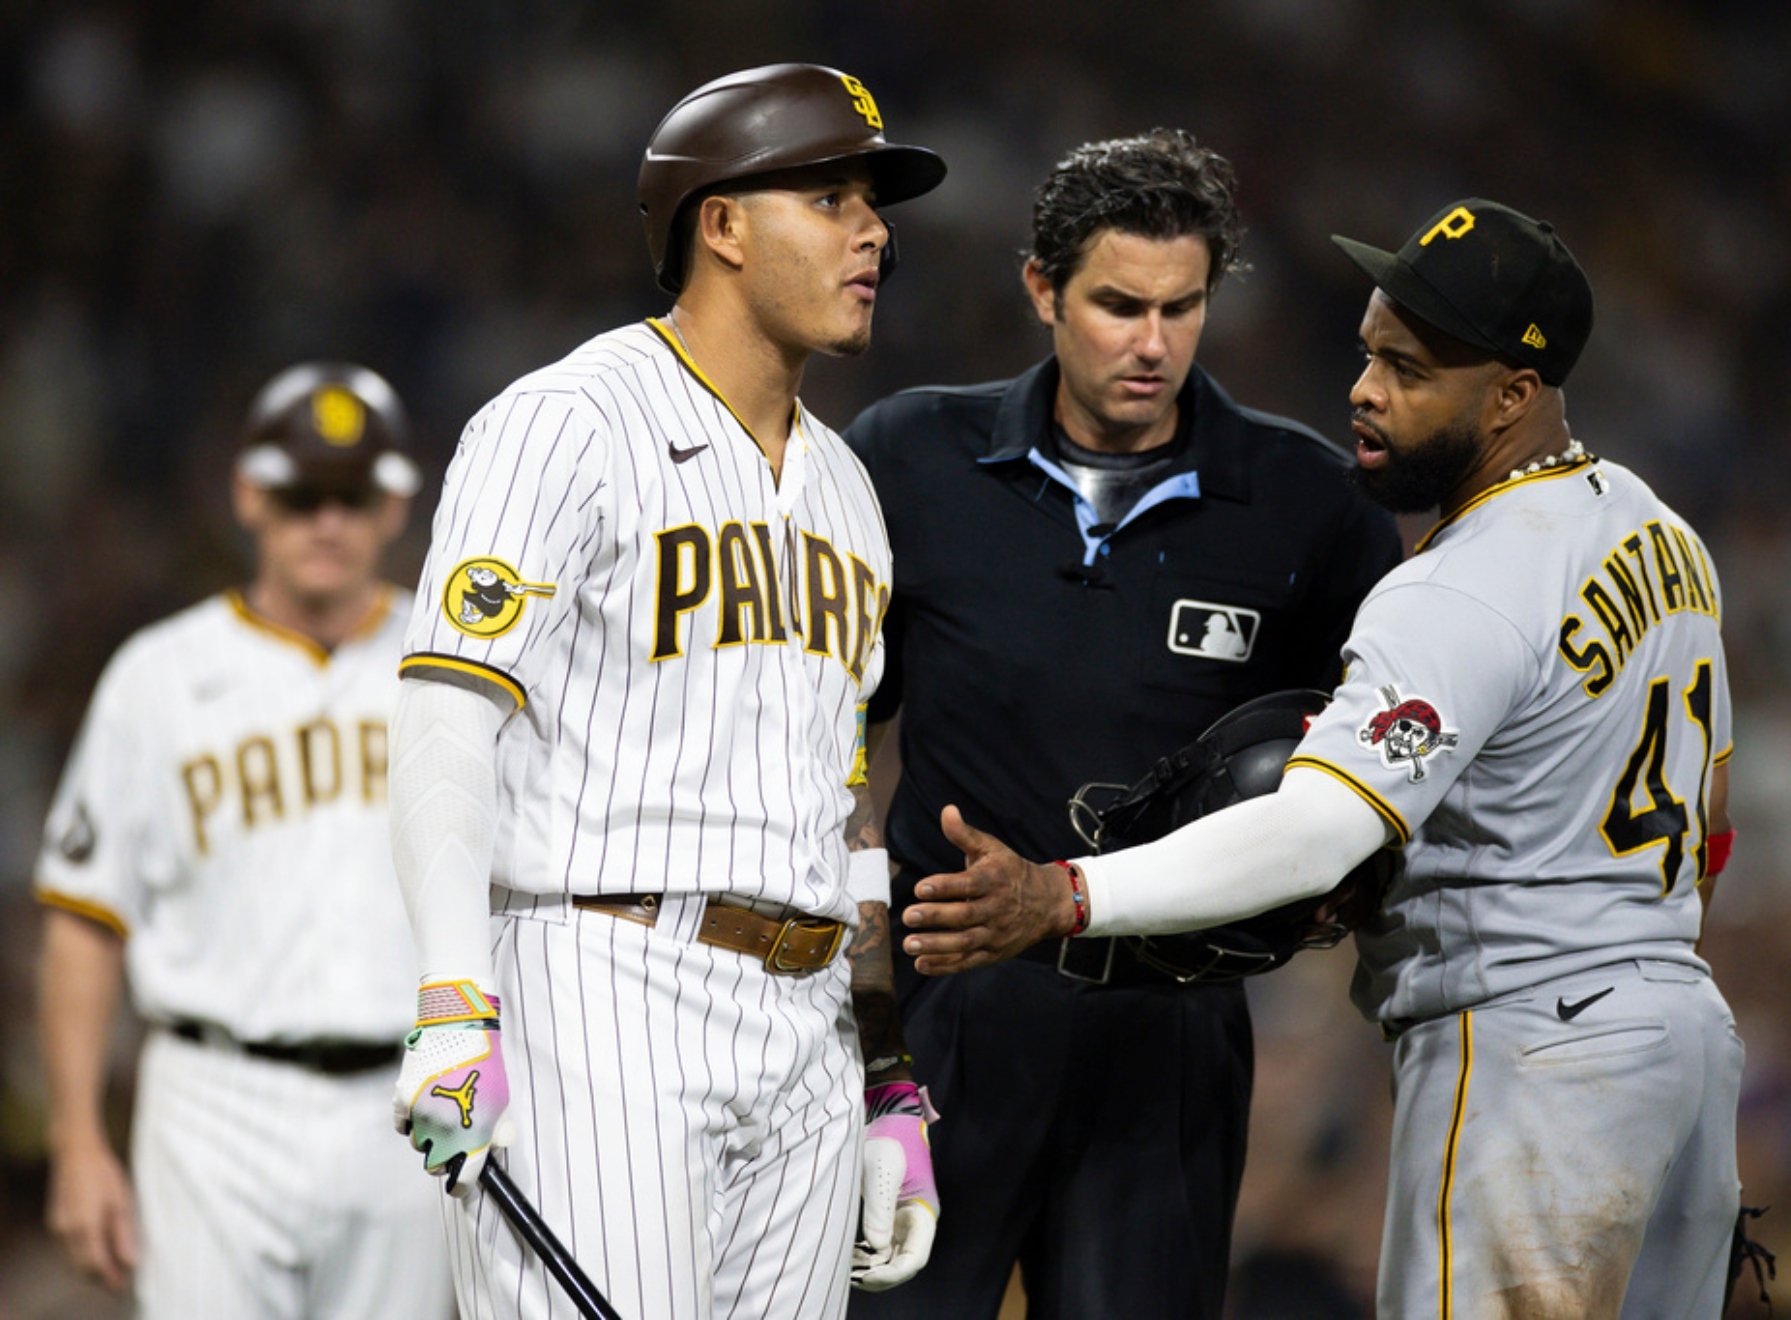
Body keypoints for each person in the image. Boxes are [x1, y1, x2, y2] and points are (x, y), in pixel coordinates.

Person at [899, 199, 1745, 1319]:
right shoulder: (1658, 532)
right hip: (1684, 1046)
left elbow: (1312, 835)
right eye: (1368, 351)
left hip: (1539, 1058)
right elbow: (1715, 814)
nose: (1364, 388)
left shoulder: (1462, 584)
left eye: (1408, 367)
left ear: (1510, 396)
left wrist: (1063, 894)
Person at [385, 64, 947, 1320]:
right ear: (723, 223)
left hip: (805, 1027)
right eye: (832, 194)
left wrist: (886, 1075)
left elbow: (840, 806)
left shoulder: (851, 490)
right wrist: (448, 1000)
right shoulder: (566, 422)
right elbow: (444, 712)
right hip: (603, 986)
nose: (875, 231)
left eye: (876, 201)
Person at [842, 128, 1400, 1320]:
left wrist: (1323, 896)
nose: (1152, 343)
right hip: (948, 1018)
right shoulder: (906, 457)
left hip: (1172, 1028)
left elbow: (1369, 779)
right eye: (1117, 304)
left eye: (1181, 308)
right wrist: (868, 1019)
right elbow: (820, 743)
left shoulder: (1307, 504)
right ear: (1041, 287)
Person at [35, 362, 452, 1319]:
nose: (327, 523)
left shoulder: (448, 675)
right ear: (249, 494)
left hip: (407, 1101)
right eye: (302, 495)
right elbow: (85, 920)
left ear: (393, 505)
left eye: (351, 497)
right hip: (211, 1106)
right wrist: (76, 1140)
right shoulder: (159, 676)